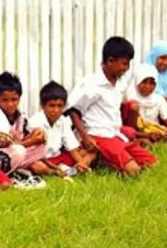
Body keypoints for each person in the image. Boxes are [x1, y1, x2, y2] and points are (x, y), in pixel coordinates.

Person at [67, 37, 158, 177]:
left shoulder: (121, 82)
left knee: (153, 164)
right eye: (124, 64)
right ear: (110, 61)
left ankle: (104, 160)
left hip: (114, 134)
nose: (126, 69)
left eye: (128, 64)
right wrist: (85, 138)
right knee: (133, 171)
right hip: (97, 136)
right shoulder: (92, 84)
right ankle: (101, 159)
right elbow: (73, 110)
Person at [0, 72, 48, 188]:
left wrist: (35, 134)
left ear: (19, 98)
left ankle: (18, 169)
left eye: (14, 99)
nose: (10, 104)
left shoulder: (20, 117)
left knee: (43, 139)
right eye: (5, 100)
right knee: (18, 152)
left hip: (17, 152)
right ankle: (9, 173)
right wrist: (28, 142)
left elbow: (24, 137)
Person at [28, 81, 93, 177]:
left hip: (58, 157)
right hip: (43, 160)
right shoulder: (35, 122)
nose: (56, 110)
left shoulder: (63, 120)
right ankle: (58, 173)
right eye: (52, 105)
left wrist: (82, 163)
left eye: (60, 106)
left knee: (88, 152)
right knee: (37, 166)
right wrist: (55, 168)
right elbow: (35, 155)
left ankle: (76, 169)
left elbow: (72, 147)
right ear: (42, 105)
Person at [127, 64, 167, 148]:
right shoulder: (129, 99)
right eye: (144, 82)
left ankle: (159, 145)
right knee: (144, 142)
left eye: (152, 83)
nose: (148, 86)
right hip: (139, 134)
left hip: (157, 132)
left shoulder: (158, 99)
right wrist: (147, 135)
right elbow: (129, 129)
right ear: (137, 81)